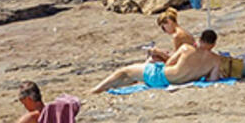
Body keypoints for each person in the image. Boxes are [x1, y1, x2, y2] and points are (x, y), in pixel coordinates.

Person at [91, 30, 223, 93]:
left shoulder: (186, 48)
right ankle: (108, 87)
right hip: (180, 81)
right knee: (132, 76)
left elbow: (169, 63)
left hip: (161, 77)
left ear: (200, 39)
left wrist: (160, 54)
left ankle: (96, 89)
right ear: (213, 44)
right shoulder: (216, 60)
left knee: (124, 71)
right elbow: (212, 81)